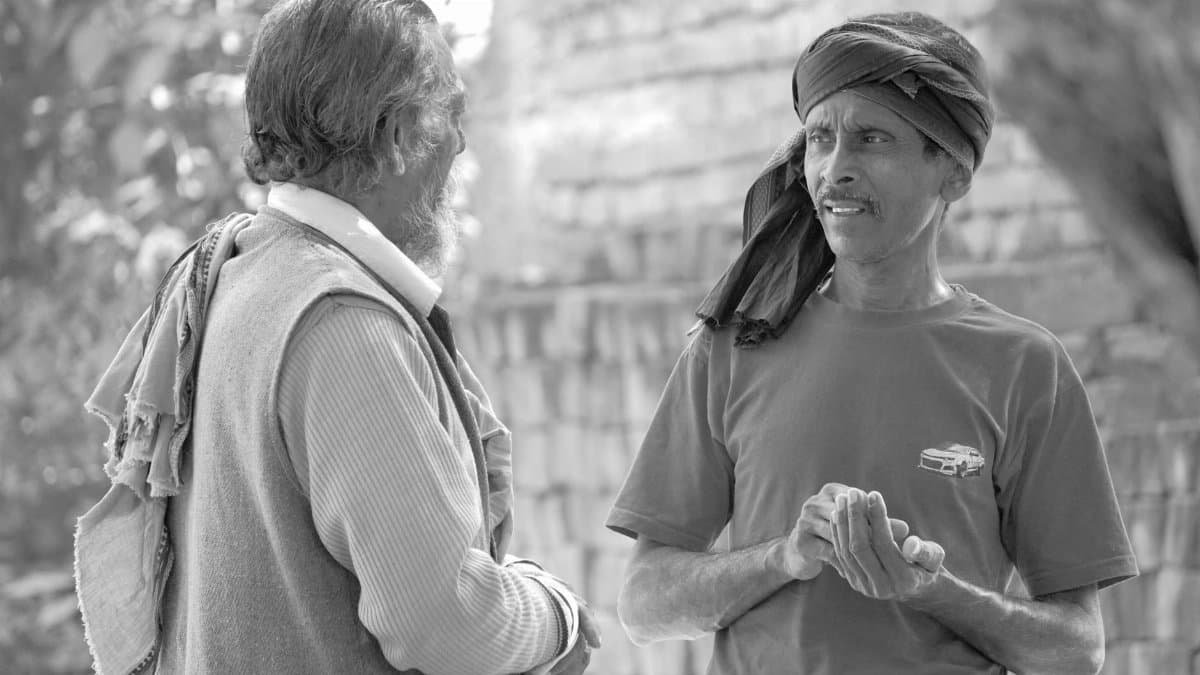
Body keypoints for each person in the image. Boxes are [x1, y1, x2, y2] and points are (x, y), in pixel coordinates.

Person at [72, 1, 599, 673]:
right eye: (450, 114)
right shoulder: (341, 324)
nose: (460, 145)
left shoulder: (239, 272)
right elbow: (445, 624)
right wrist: (554, 612)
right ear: (395, 131)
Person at [606, 11, 1137, 675]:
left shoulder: (1027, 368)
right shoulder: (732, 347)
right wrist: (783, 556)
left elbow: (1076, 649)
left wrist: (932, 590)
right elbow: (644, 602)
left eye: (872, 138)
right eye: (821, 139)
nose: (835, 169)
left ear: (954, 171)